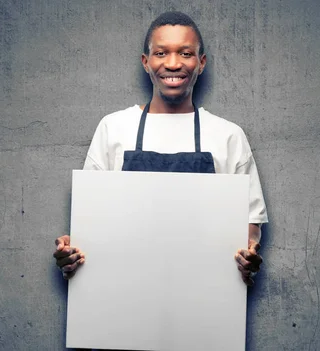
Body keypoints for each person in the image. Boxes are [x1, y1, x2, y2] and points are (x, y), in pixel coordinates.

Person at [53, 11, 268, 288]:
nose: (173, 63)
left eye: (186, 53)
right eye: (161, 53)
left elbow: (250, 227)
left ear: (201, 63)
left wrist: (248, 255)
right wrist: (71, 251)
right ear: (146, 62)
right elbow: (89, 219)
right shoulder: (114, 128)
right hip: (121, 290)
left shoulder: (229, 136)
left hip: (206, 293)